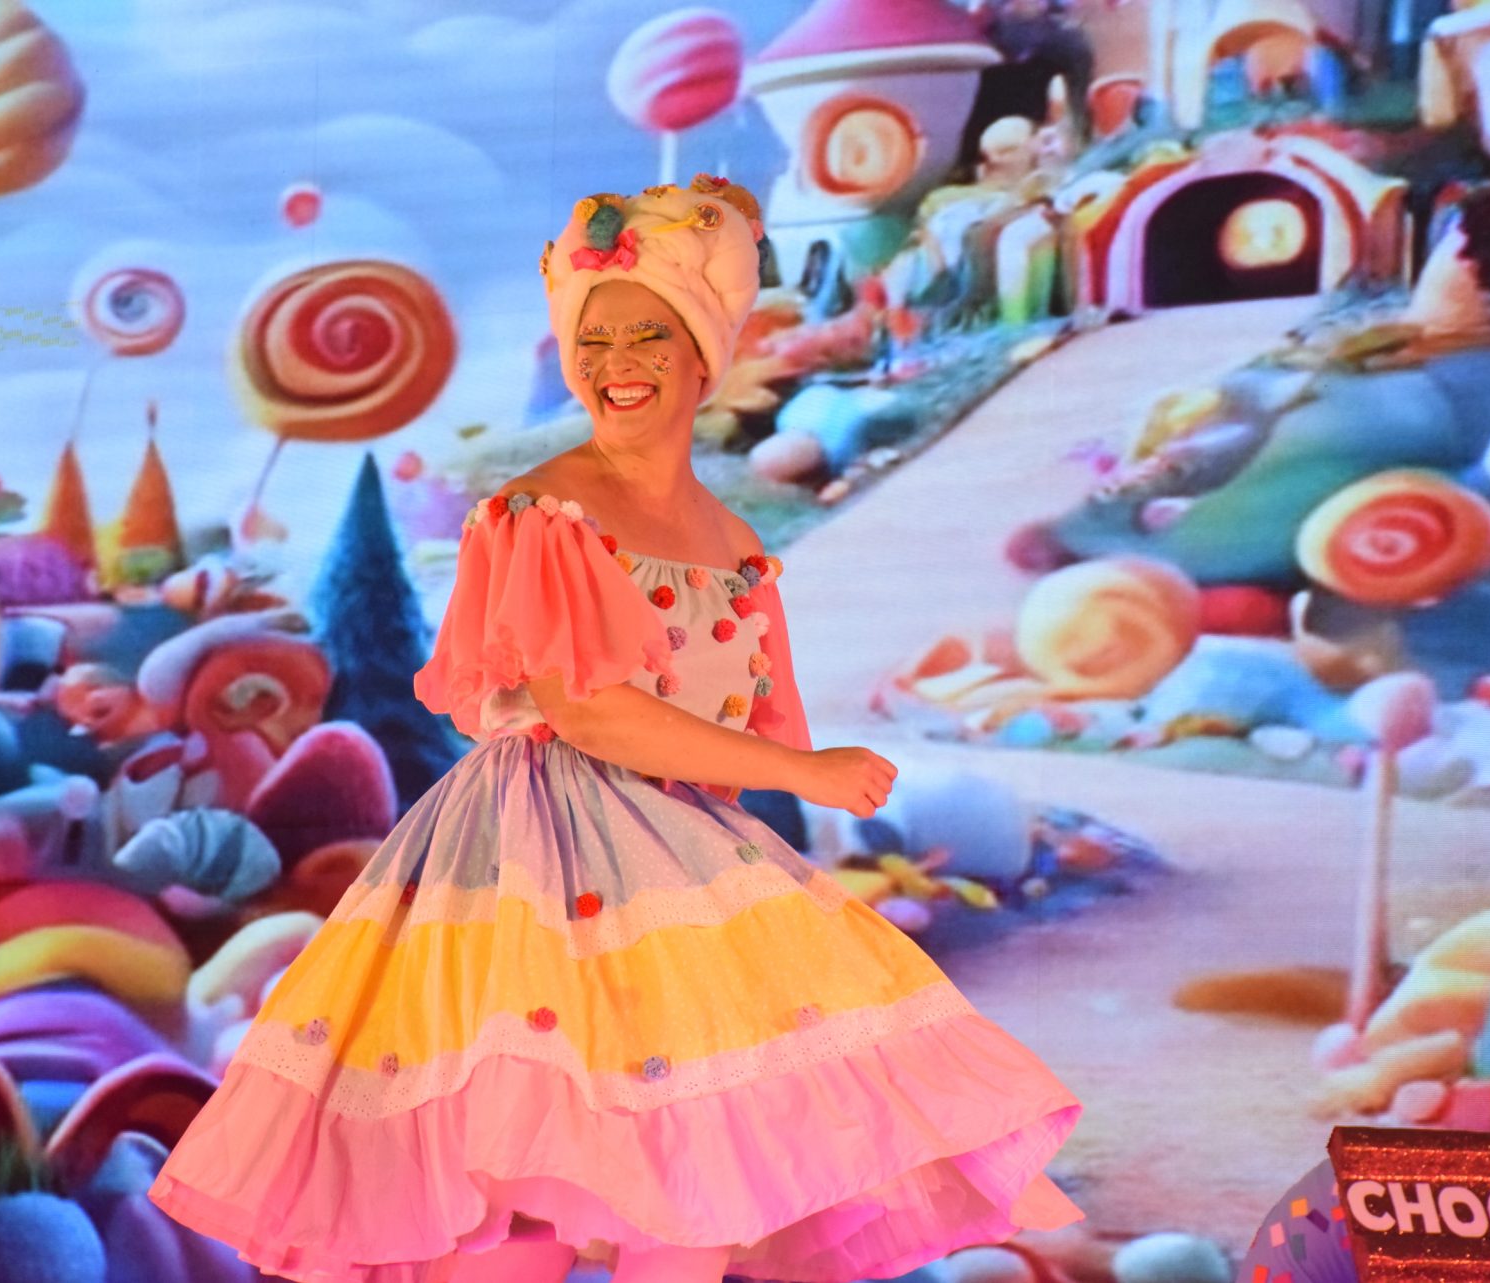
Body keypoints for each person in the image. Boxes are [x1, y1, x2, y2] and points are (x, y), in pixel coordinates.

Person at [147, 176, 1085, 1283]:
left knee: (692, 1176)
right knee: (512, 1174)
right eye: (593, 339)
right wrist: (801, 770)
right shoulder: (541, 512)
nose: (617, 361)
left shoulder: (731, 539)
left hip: (674, 869)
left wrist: (767, 810)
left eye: (648, 333)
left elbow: (730, 718)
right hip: (534, 856)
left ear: (704, 351)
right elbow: (590, 708)